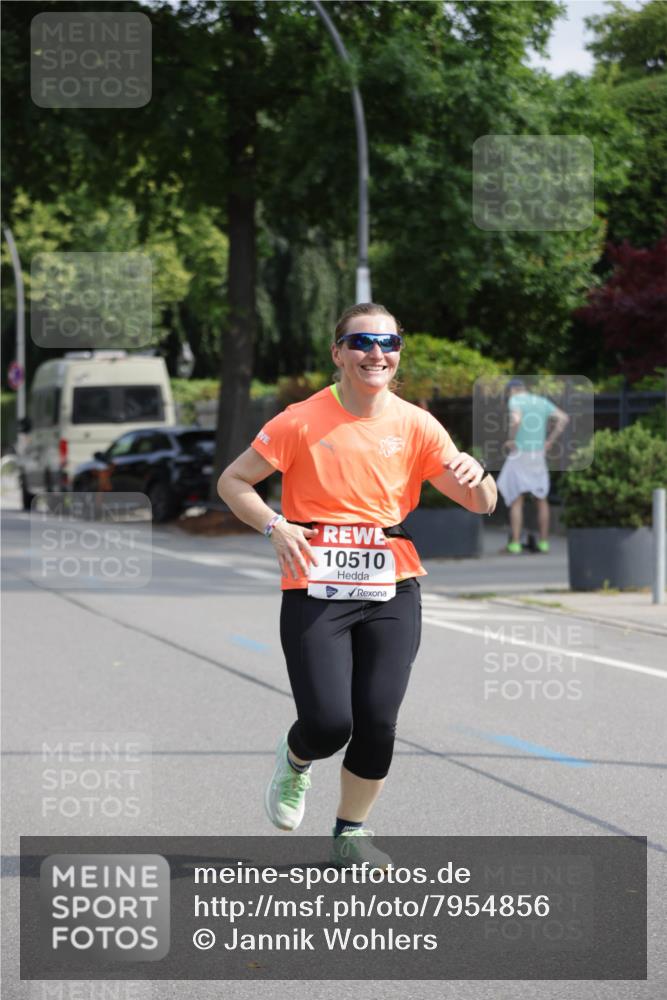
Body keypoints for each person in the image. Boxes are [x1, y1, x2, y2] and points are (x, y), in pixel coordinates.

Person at [217, 303, 497, 869]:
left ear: (398, 353)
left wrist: (478, 472)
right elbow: (233, 480)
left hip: (393, 584)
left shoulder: (417, 424)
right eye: (362, 342)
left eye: (388, 342)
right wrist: (275, 526)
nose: (377, 353)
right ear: (338, 353)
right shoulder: (300, 419)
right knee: (328, 723)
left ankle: (350, 833)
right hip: (314, 584)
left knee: (378, 720)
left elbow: (480, 503)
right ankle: (296, 760)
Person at [496, 378, 569, 554]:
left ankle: (514, 543)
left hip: (520, 453)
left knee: (516, 498)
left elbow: (516, 419)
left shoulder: (515, 400)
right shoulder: (540, 401)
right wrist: (549, 442)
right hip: (538, 455)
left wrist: (512, 439)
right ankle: (544, 542)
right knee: (541, 498)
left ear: (512, 391)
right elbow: (564, 418)